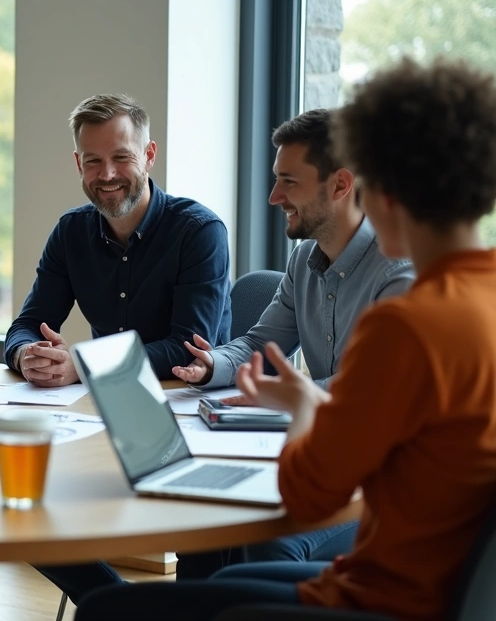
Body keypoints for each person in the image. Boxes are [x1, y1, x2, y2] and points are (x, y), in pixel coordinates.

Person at [75, 57, 496, 621]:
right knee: (231, 576)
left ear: (384, 189)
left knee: (110, 610)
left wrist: (303, 406)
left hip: (388, 601)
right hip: (436, 586)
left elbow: (308, 496)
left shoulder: (407, 325)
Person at [165, 109, 414, 581]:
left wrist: (288, 396)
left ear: (340, 185)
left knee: (267, 539)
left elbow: (372, 390)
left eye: (288, 182)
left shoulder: (396, 270)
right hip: (320, 455)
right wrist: (213, 362)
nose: (274, 196)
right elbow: (261, 344)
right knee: (210, 524)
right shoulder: (304, 259)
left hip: (379, 484)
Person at [5, 94, 231, 389]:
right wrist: (29, 356)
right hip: (108, 400)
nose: (107, 173)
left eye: (121, 157)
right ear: (78, 164)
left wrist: (86, 366)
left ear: (149, 155)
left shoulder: (199, 231)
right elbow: (27, 326)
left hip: (186, 400)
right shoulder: (70, 231)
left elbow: (187, 349)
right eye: (93, 161)